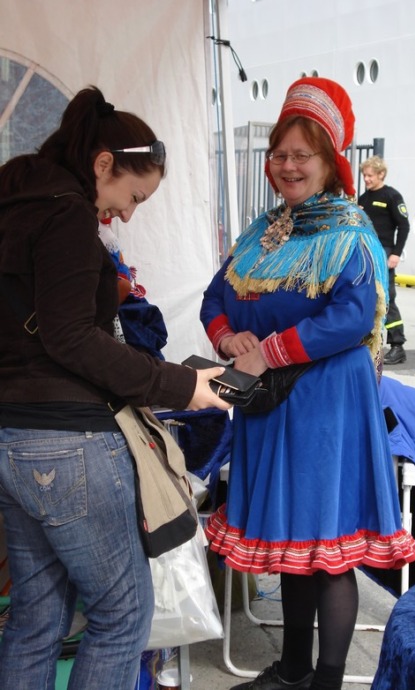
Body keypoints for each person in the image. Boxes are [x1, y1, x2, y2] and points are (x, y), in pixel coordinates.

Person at [0, 86, 230, 690]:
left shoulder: (16, 205)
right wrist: (180, 384)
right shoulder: (67, 216)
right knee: (122, 613)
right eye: (133, 196)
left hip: (11, 438)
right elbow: (72, 338)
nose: (129, 213)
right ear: (103, 163)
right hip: (69, 441)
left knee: (36, 617)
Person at [200, 78, 415, 690]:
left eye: (303, 154)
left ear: (331, 162)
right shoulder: (264, 232)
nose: (288, 165)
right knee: (292, 542)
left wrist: (269, 349)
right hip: (272, 405)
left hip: (326, 404)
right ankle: (293, 670)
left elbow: (352, 318)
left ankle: (324, 680)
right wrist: (228, 339)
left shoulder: (351, 231)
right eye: (281, 153)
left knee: (327, 547)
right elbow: (217, 296)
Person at [358, 156, 410, 365]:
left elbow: (404, 226)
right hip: (366, 252)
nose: (366, 179)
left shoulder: (391, 196)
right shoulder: (363, 199)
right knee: (367, 296)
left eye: (370, 175)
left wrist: (396, 253)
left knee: (387, 297)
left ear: (381, 174)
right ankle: (371, 343)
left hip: (384, 252)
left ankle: (397, 345)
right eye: (364, 175)